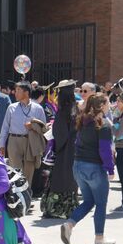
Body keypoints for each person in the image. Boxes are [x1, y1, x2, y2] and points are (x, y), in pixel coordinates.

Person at [60, 93, 115, 244]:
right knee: (100, 203)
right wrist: (110, 169)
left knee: (88, 201)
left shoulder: (82, 122)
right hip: (94, 168)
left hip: (78, 166)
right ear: (102, 105)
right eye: (108, 102)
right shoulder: (103, 125)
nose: (109, 105)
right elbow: (105, 150)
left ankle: (69, 224)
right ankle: (99, 238)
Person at [41, 80, 79, 219]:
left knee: (60, 178)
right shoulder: (76, 109)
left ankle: (58, 209)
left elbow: (59, 134)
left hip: (64, 151)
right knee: (71, 179)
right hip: (75, 150)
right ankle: (71, 207)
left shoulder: (63, 112)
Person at [0, 81, 47, 188]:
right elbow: (5, 127)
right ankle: (17, 199)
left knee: (28, 172)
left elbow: (44, 129)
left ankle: (26, 197)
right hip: (14, 141)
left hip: (31, 142)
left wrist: (33, 126)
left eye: (18, 91)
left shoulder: (38, 108)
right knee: (15, 171)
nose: (14, 93)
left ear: (26, 92)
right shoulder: (11, 107)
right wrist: (2, 145)